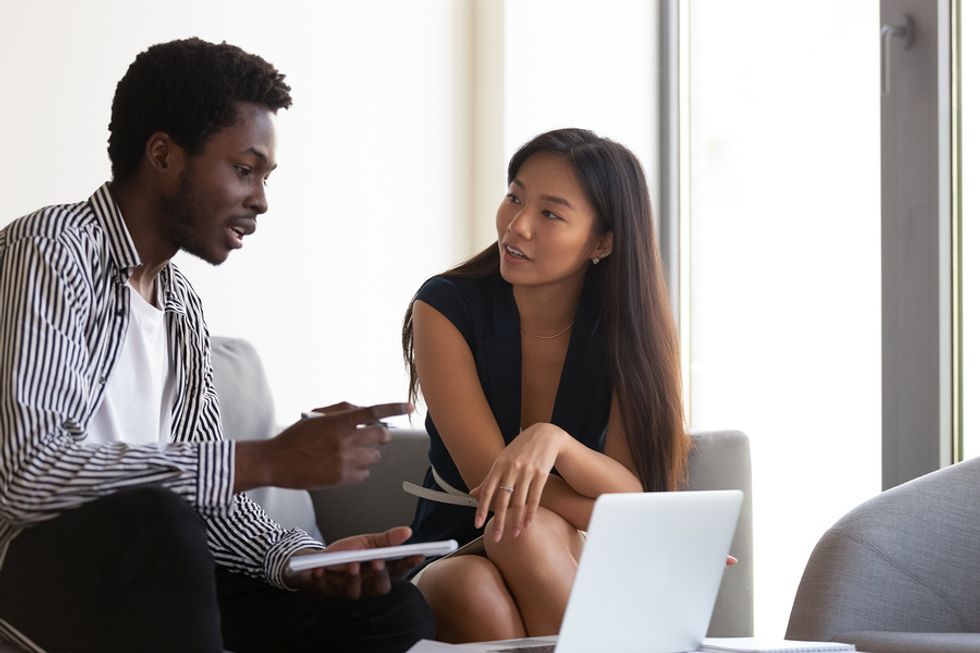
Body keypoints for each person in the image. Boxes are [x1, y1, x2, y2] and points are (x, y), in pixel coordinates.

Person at [0, 38, 433, 653]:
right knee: (161, 521)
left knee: (389, 610)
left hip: (161, 577)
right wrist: (266, 461)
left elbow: (210, 504)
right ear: (163, 154)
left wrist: (306, 561)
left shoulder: (180, 304)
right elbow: (28, 472)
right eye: (244, 169)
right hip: (38, 577)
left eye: (264, 176)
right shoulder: (50, 250)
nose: (260, 199)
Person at [400, 128, 689, 642]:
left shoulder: (627, 329)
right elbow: (493, 486)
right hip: (449, 544)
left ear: (602, 242)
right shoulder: (443, 307)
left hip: (570, 548)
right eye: (514, 196)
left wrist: (553, 440)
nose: (516, 225)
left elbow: (632, 488)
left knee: (525, 532)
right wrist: (629, 518)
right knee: (487, 566)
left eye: (550, 213)